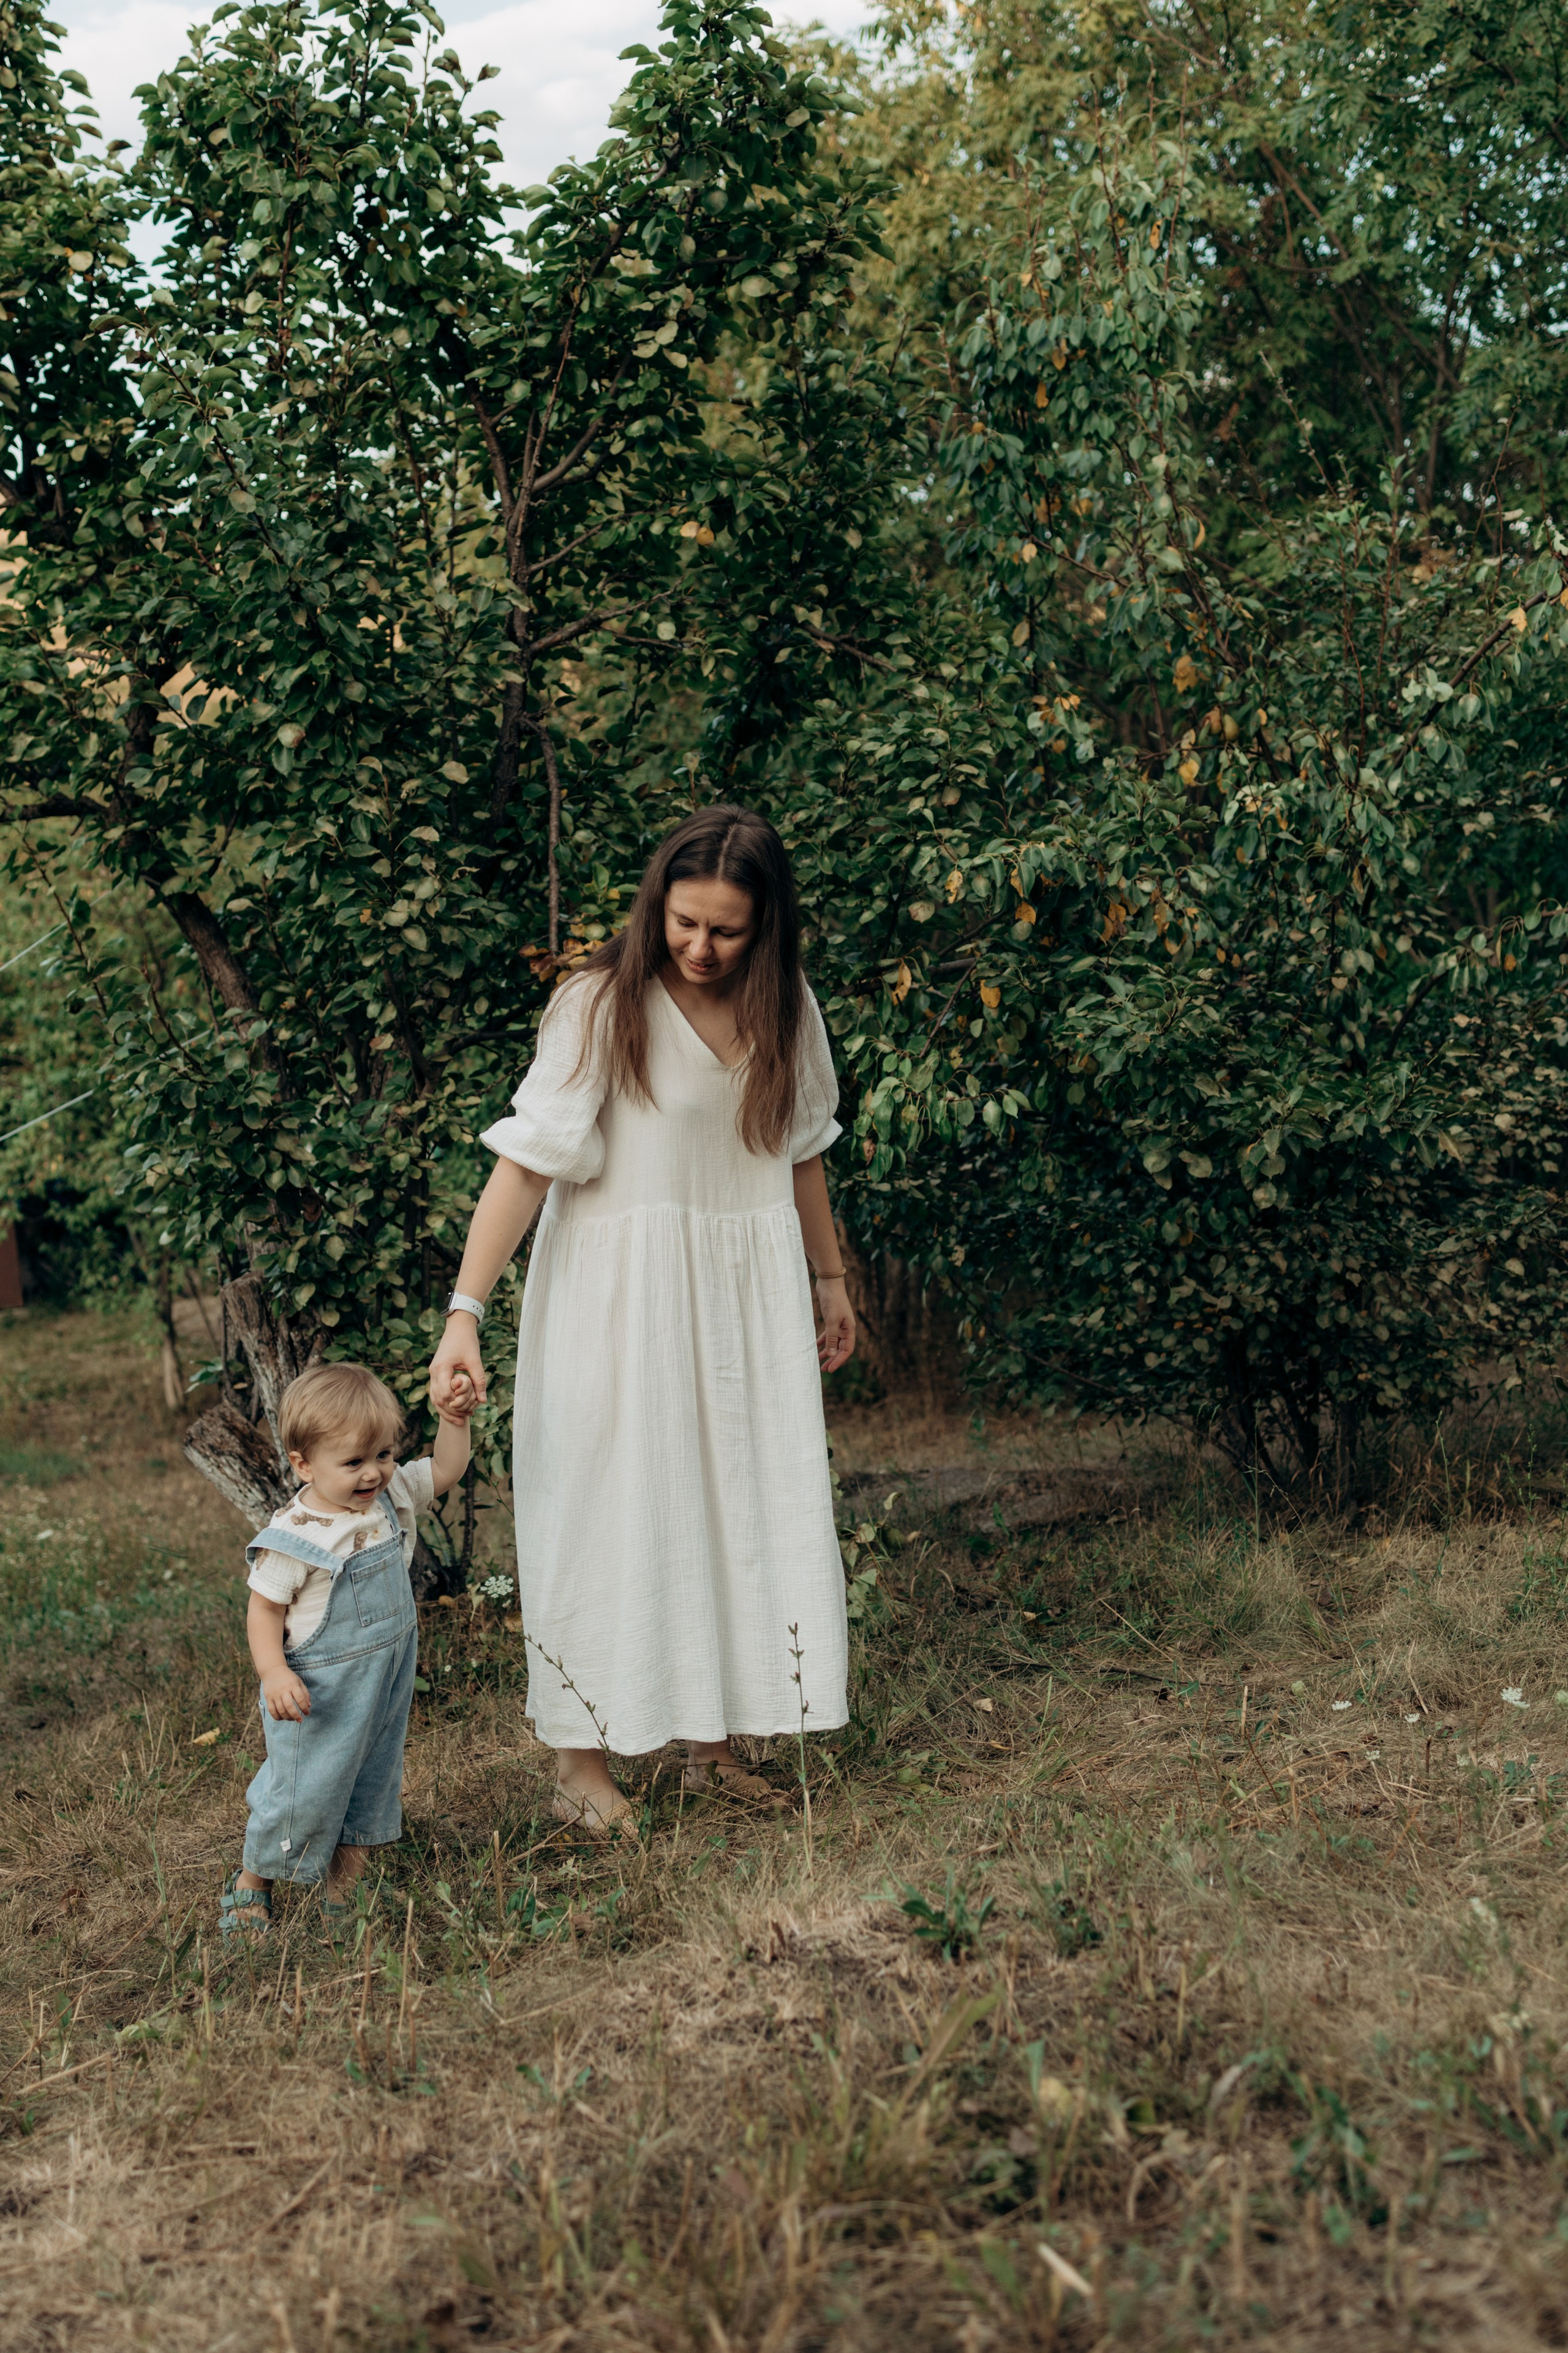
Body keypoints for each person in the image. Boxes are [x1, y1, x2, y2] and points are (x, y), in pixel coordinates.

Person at [428, 804, 855, 1835]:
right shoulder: (599, 1003)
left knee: (733, 1503)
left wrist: (829, 1279)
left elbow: (801, 1152)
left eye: (726, 930)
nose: (700, 947)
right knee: (606, 1508)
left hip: (738, 1309)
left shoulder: (786, 1006)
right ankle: (579, 1764)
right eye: (684, 922)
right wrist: (464, 1312)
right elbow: (525, 1164)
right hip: (618, 1305)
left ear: (767, 929)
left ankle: (714, 1739)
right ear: (656, 904)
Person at [219, 1360, 475, 1938]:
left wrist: (453, 1418)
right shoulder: (297, 1534)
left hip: (382, 1679)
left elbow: (446, 1468)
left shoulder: (391, 1496)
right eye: (354, 1462)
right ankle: (252, 1880)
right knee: (301, 1788)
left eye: (383, 1455)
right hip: (320, 1691)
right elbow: (264, 1610)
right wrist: (273, 1671)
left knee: (371, 1779)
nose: (374, 1474)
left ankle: (344, 1888)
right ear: (303, 1463)